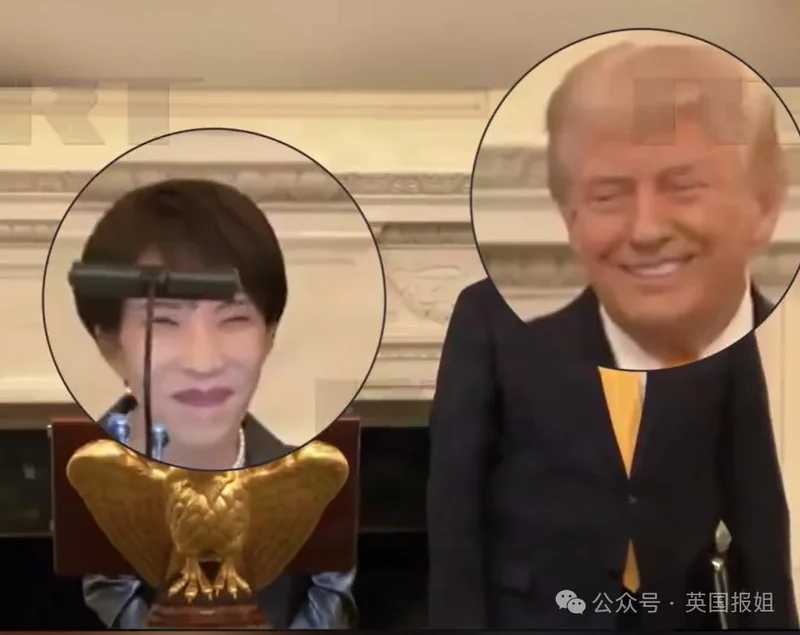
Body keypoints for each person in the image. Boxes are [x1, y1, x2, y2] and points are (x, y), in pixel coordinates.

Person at [428, 39, 797, 630]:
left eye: (683, 185)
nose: (645, 229)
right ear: (570, 217)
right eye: (607, 195)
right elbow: (454, 510)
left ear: (763, 207)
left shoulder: (729, 335)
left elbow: (757, 510)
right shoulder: (490, 321)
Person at [69, 178, 356, 628]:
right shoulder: (79, 479)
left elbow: (332, 598)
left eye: (234, 318)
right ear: (111, 345)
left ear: (269, 336)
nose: (203, 362)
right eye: (164, 321)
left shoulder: (310, 480)